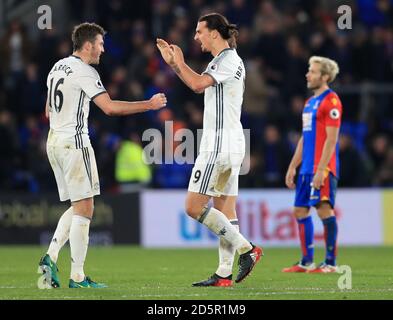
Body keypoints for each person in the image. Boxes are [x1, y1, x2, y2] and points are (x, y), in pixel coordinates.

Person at [37, 22, 167, 289]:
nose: (103, 50)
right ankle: (78, 277)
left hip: (54, 141)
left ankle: (50, 257)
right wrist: (149, 104)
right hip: (74, 142)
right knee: (86, 209)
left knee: (77, 206)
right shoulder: (84, 71)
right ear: (87, 45)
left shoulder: (56, 67)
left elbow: (48, 110)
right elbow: (109, 108)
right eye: (100, 44)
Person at [156, 13, 263, 287]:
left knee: (193, 207)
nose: (195, 37)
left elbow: (197, 84)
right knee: (225, 210)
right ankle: (224, 274)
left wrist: (178, 63)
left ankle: (247, 249)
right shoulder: (225, 62)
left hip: (218, 144)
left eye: (199, 31)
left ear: (214, 33)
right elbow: (197, 85)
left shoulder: (227, 60)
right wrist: (177, 67)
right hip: (233, 141)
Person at [282, 56, 342, 273]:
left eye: (313, 71)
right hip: (306, 168)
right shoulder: (309, 104)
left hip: (322, 168)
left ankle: (331, 263)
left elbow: (331, 139)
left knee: (324, 210)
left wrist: (322, 169)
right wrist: (292, 166)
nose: (308, 74)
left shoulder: (331, 101)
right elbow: (305, 138)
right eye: (309, 70)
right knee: (300, 210)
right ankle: (307, 261)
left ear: (325, 76)